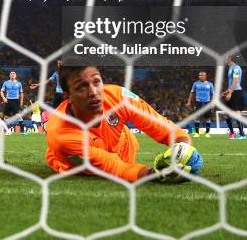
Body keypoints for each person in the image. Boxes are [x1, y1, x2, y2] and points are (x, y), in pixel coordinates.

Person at [45, 61, 203, 182]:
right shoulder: (62, 136)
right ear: (67, 96)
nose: (94, 92)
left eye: (96, 82)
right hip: (82, 165)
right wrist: (158, 174)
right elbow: (114, 167)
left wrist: (183, 147)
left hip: (124, 150)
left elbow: (160, 126)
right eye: (81, 87)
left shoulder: (118, 96)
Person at [222, 55, 246, 139]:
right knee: (226, 113)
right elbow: (232, 82)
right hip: (232, 91)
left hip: (236, 92)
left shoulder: (236, 68)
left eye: (226, 58)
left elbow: (236, 81)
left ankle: (242, 134)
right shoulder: (230, 68)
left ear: (230, 59)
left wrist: (230, 93)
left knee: (237, 112)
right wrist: (227, 91)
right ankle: (232, 133)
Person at [186, 71, 214, 137]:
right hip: (198, 102)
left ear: (205, 76)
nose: (200, 76)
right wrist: (189, 101)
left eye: (202, 75)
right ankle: (196, 133)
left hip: (207, 102)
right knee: (197, 117)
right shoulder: (195, 84)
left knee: (207, 117)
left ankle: (207, 133)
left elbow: (213, 94)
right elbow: (192, 93)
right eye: (199, 75)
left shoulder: (210, 84)